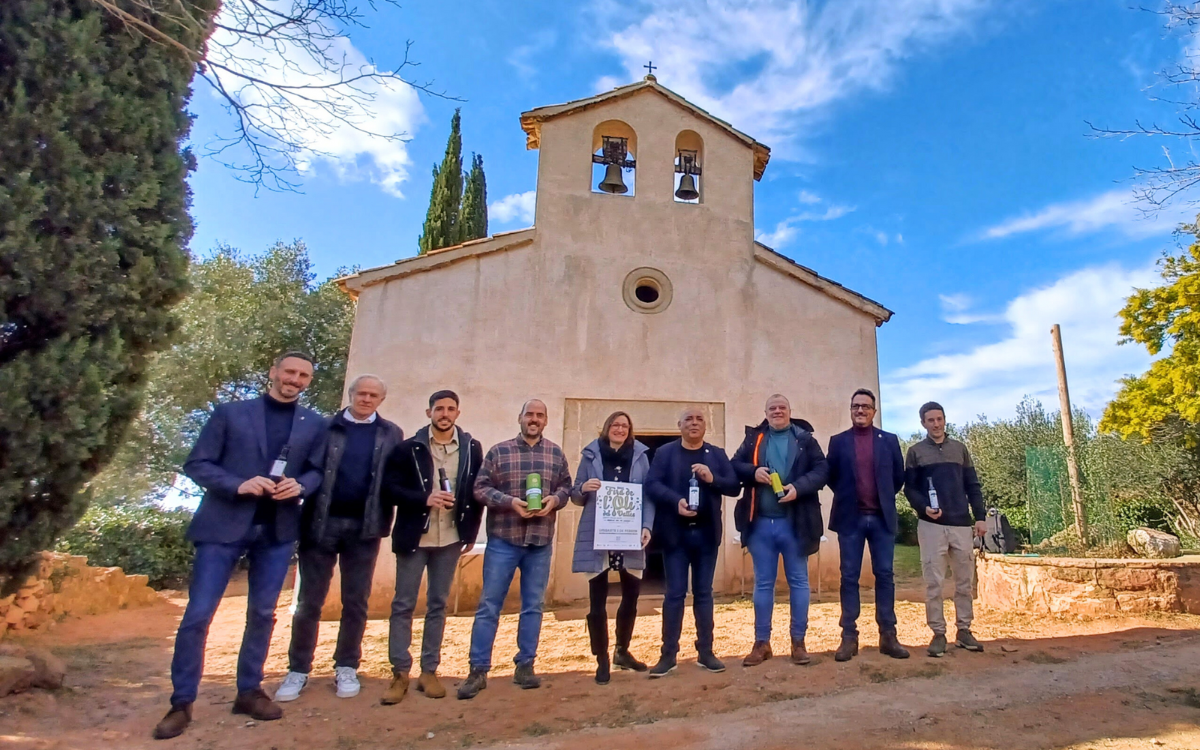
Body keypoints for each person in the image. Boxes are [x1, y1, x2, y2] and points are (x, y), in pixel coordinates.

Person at [153, 352, 326, 740]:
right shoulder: (230, 414)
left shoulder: (314, 424)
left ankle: (248, 691)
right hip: (222, 526)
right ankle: (181, 702)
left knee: (263, 613)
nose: (294, 379)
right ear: (273, 373)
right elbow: (197, 464)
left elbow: (317, 470)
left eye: (303, 375)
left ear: (308, 381)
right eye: (289, 372)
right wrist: (238, 484)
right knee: (198, 615)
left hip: (277, 531)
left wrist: (301, 486)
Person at [275, 375, 403, 703]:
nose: (366, 399)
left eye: (373, 394)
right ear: (351, 395)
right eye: (361, 393)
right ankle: (298, 669)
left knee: (356, 601)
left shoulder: (391, 434)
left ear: (381, 399)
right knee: (309, 602)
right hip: (321, 524)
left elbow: (393, 479)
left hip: (365, 528)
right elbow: (308, 469)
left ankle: (346, 665)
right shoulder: (325, 427)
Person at [457, 399, 572, 699]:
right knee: (489, 606)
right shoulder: (499, 451)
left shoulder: (555, 453)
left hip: (540, 541)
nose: (534, 419)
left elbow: (566, 488)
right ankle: (478, 670)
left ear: (545, 420)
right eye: (529, 414)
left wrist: (554, 501)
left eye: (539, 415)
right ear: (519, 417)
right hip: (504, 540)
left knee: (533, 606)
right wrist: (509, 502)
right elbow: (480, 489)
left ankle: (525, 666)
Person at [380, 390, 483, 703]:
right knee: (403, 604)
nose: (445, 414)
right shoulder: (408, 448)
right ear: (429, 413)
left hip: (450, 538)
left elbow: (476, 492)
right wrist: (423, 498)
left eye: (451, 409)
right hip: (415, 538)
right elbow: (389, 489)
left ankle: (429, 671)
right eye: (439, 408)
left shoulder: (471, 448)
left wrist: (470, 533)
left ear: (457, 413)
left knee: (438, 604)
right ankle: (400, 673)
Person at [731, 394, 829, 667]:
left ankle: (798, 642)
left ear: (789, 411)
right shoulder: (754, 438)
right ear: (765, 412)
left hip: (796, 524)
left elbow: (823, 470)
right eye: (772, 408)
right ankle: (762, 643)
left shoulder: (805, 439)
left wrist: (798, 488)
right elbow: (734, 465)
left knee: (799, 582)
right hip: (761, 523)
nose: (777, 411)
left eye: (782, 407)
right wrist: (753, 473)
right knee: (763, 584)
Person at [645, 407, 740, 678]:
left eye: (699, 419)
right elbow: (652, 484)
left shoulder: (717, 455)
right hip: (676, 536)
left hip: (707, 535)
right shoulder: (665, 453)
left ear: (705, 426)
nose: (694, 423)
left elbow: (734, 486)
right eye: (689, 419)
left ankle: (706, 652)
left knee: (704, 594)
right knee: (674, 594)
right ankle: (668, 656)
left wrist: (713, 479)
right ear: (679, 425)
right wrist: (675, 502)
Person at [570, 411, 655, 684]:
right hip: (599, 532)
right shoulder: (591, 455)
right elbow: (575, 495)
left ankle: (622, 651)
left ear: (630, 430)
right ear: (606, 428)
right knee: (598, 599)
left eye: (625, 426)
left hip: (629, 534)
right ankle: (601, 658)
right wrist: (584, 487)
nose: (619, 429)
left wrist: (647, 526)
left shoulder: (641, 456)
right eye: (615, 425)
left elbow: (648, 495)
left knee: (631, 596)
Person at [826, 388, 909, 662]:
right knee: (848, 577)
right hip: (850, 519)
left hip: (882, 519)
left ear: (874, 411)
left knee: (884, 575)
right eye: (855, 406)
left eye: (865, 406)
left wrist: (881, 497)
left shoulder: (889, 441)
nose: (860, 411)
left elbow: (897, 478)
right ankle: (849, 637)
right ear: (851, 410)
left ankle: (888, 636)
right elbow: (832, 477)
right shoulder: (838, 442)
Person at [904, 401, 988, 657]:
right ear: (923, 423)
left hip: (961, 524)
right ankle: (938, 634)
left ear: (944, 420)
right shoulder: (916, 452)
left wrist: (981, 517)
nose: (936, 424)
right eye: (931, 420)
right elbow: (910, 488)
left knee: (964, 582)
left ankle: (964, 631)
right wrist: (922, 508)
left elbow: (973, 485)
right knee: (934, 583)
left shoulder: (959, 449)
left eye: (939, 419)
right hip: (931, 526)